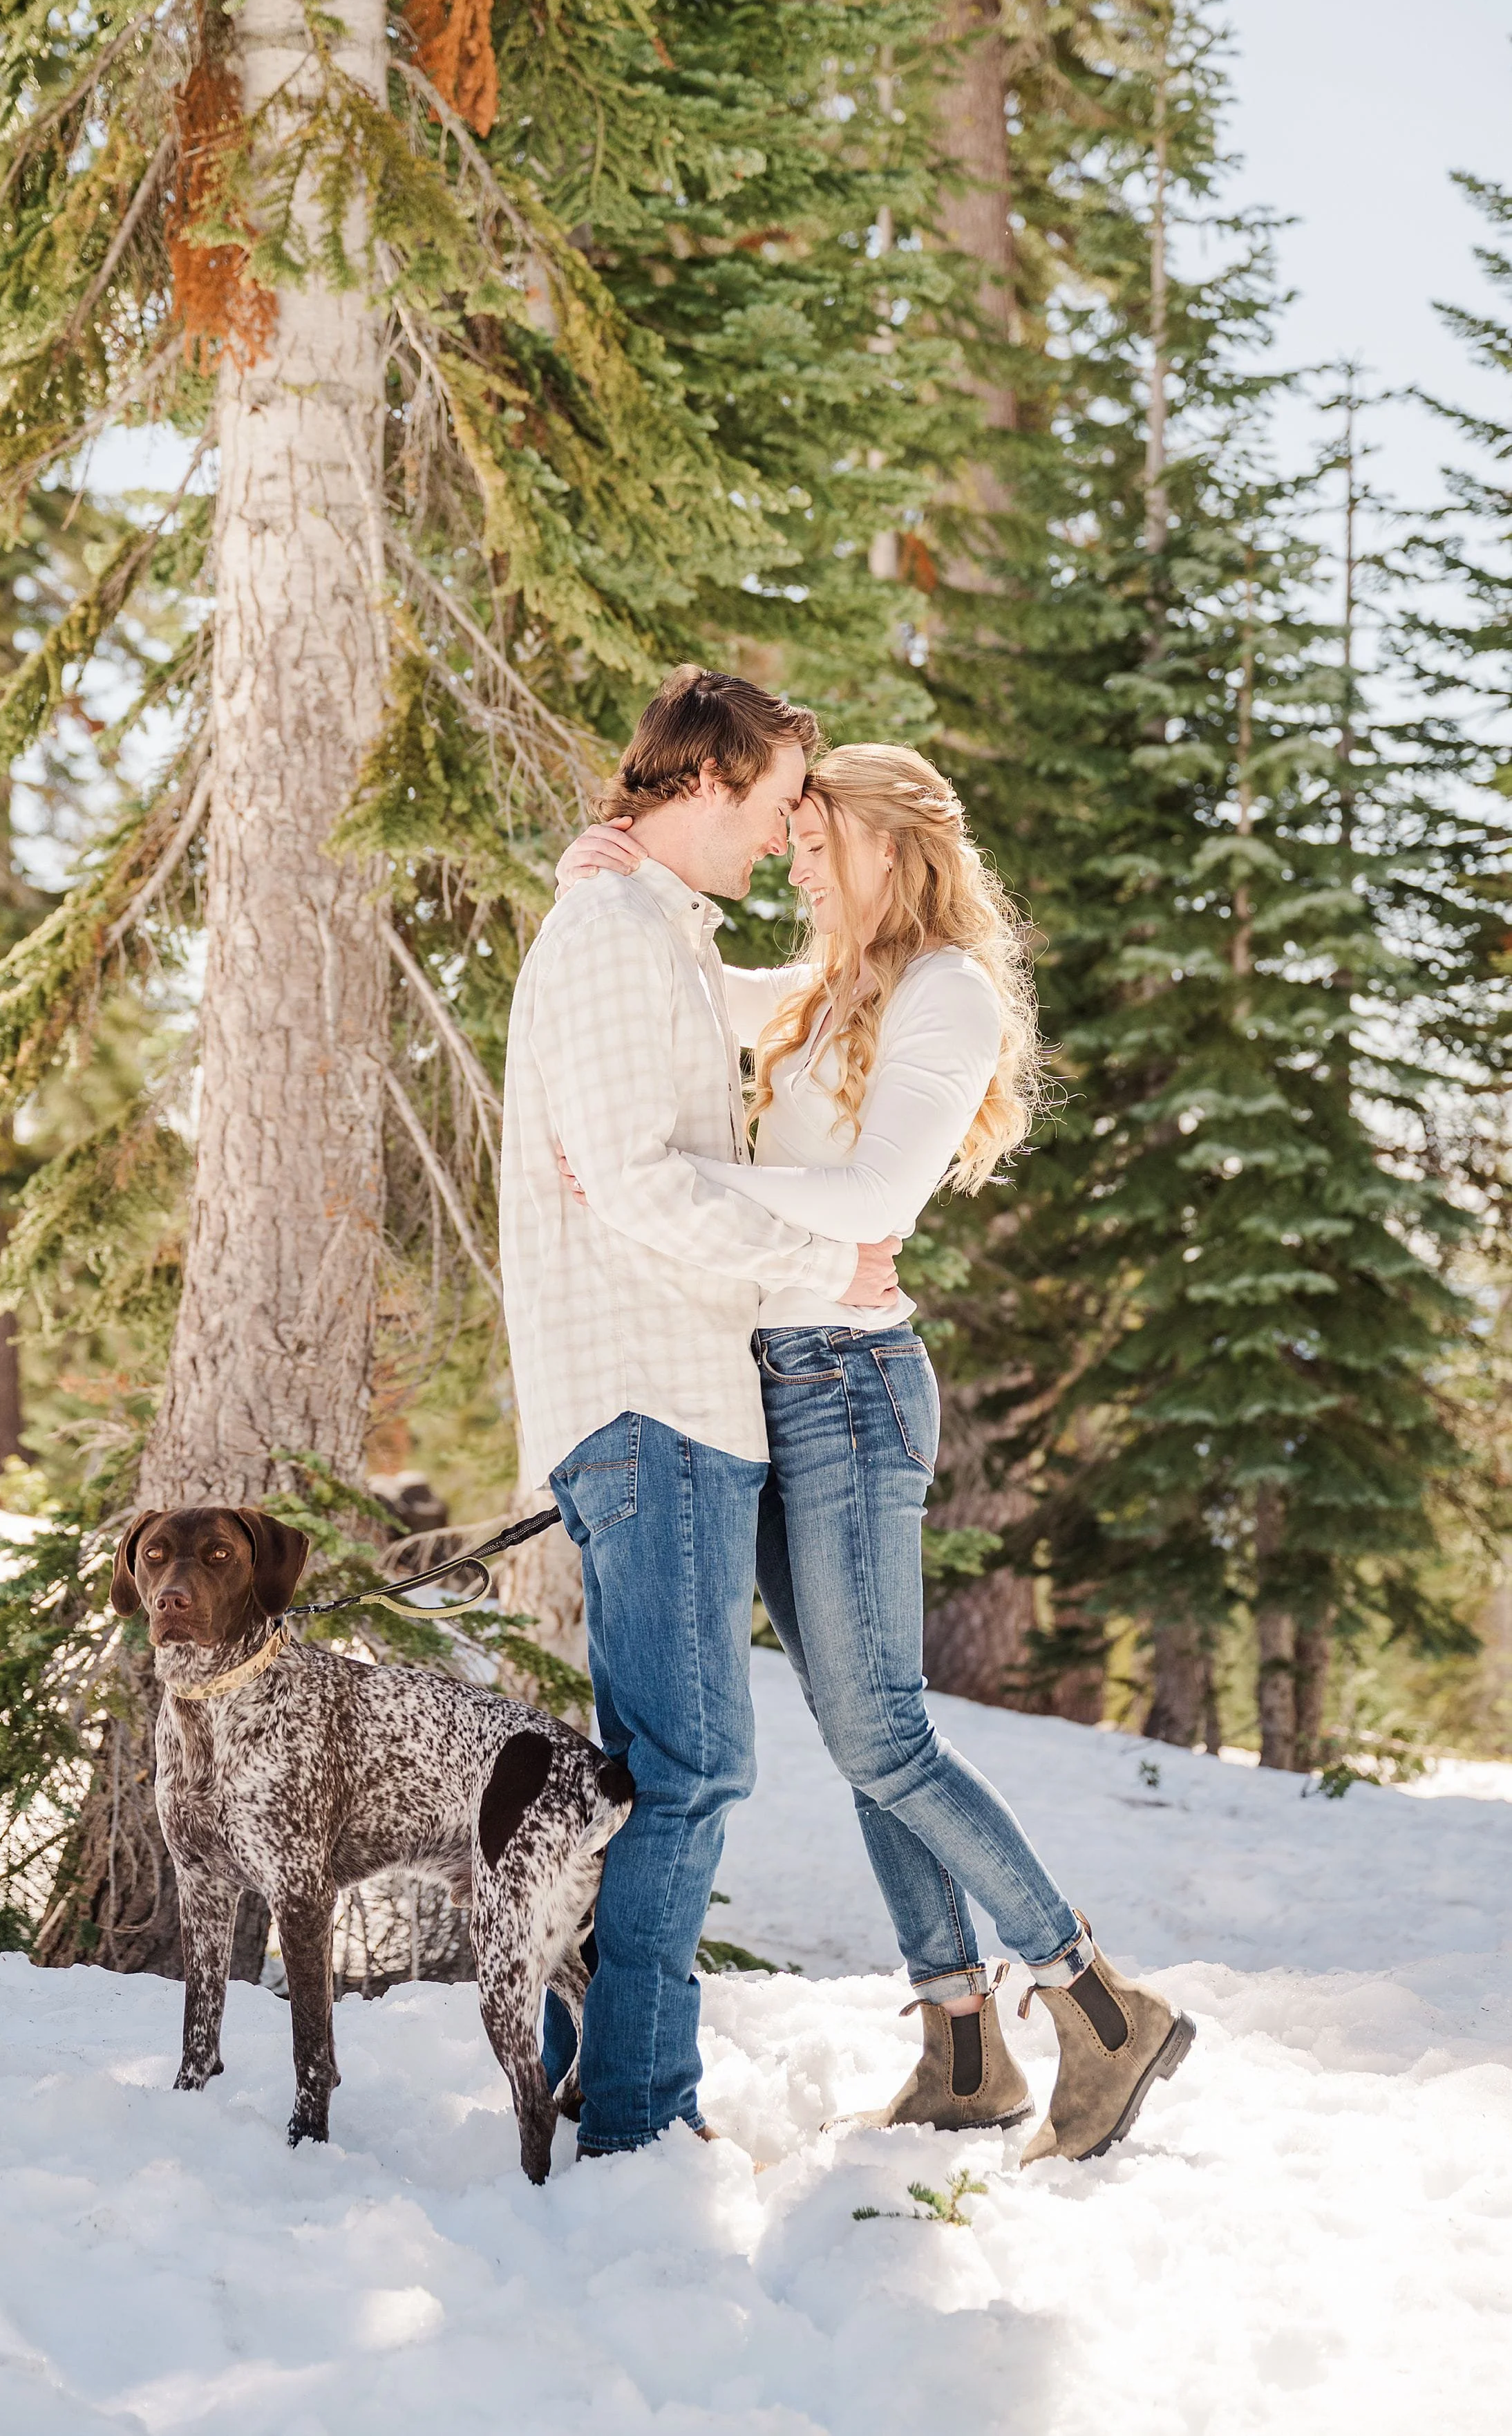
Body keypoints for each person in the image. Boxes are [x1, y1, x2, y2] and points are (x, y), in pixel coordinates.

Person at [554, 741, 1194, 2163]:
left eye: (816, 836)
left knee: (879, 1732)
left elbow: (878, 1192)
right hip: (779, 1381)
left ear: (894, 851)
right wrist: (624, 877)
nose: (792, 854)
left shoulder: (942, 990)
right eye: (784, 834)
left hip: (850, 1384)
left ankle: (1092, 2003)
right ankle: (960, 2046)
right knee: (864, 1742)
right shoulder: (836, 980)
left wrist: (650, 1181)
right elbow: (694, 995)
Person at [498, 666, 904, 2159]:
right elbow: (638, 1184)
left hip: (680, 1394)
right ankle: (636, 2117)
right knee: (688, 1768)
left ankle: (569, 2065)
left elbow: (758, 1021)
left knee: (646, 1771)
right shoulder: (608, 936)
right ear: (703, 784)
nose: (786, 830)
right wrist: (829, 1265)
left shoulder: (651, 930)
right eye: (780, 800)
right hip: (648, 1393)